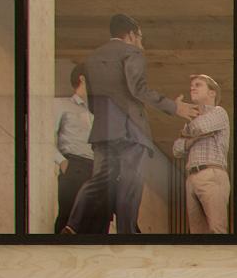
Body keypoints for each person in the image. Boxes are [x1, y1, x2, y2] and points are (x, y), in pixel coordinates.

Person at [63, 12, 198, 235]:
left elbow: (92, 101)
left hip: (103, 129)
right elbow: (138, 90)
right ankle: (128, 235)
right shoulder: (131, 53)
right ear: (132, 35)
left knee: (98, 182)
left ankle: (73, 225)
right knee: (130, 184)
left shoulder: (92, 58)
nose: (142, 44)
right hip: (130, 130)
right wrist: (175, 107)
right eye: (141, 38)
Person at [173, 72, 232, 234]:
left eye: (198, 85)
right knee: (197, 233)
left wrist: (186, 132)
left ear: (212, 92)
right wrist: (191, 140)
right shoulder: (192, 119)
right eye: (192, 86)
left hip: (211, 173)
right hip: (192, 177)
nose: (193, 88)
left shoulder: (219, 112)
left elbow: (198, 127)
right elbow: (176, 149)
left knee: (216, 228)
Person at [54, 64, 94, 234]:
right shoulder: (61, 105)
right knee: (68, 217)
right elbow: (43, 137)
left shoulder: (96, 112)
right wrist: (62, 161)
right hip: (74, 165)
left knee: (94, 221)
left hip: (96, 169)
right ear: (82, 79)